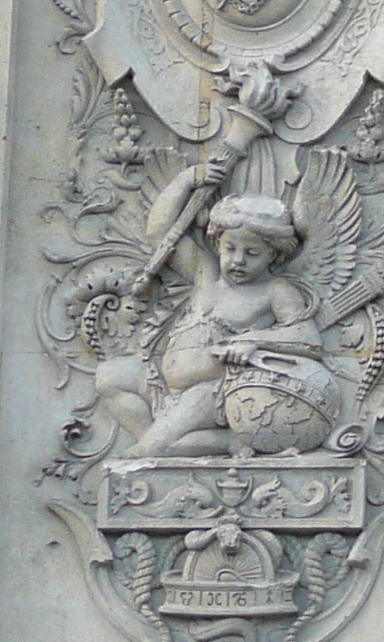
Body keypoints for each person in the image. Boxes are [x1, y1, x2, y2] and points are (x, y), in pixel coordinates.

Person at [95, 161, 340, 463]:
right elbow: (159, 233)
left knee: (158, 448)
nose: (238, 261)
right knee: (111, 375)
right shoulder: (205, 274)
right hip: (163, 383)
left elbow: (307, 337)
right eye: (230, 249)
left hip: (214, 393)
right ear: (217, 245)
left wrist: (254, 341)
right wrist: (186, 180)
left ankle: (175, 445)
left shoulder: (275, 290)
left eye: (252, 253)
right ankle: (160, 439)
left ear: (274, 254)